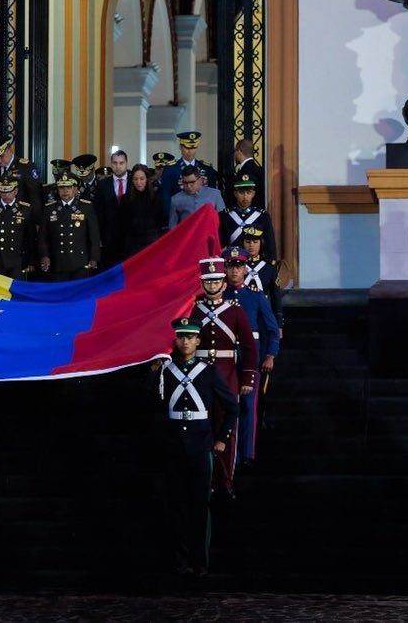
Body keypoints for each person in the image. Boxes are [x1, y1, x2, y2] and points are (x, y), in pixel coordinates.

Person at [147, 317, 238, 578]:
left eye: (190, 337)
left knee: (200, 505)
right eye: (181, 337)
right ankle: (181, 560)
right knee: (176, 504)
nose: (185, 341)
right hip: (174, 445)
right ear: (175, 340)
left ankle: (201, 561)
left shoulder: (208, 371)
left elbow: (232, 406)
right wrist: (154, 369)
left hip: (200, 445)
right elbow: (148, 398)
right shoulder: (166, 370)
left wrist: (221, 438)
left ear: (198, 340)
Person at [188, 257, 257, 500]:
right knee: (202, 429)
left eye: (216, 280)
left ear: (224, 283)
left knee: (226, 429)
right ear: (201, 283)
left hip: (227, 374)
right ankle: (205, 480)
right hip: (198, 376)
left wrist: (247, 377)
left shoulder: (235, 311)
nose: (212, 285)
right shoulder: (193, 309)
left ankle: (225, 480)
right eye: (208, 281)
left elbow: (249, 347)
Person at [222, 246, 279, 467]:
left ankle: (247, 452)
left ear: (245, 268)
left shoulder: (255, 297)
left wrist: (270, 355)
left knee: (248, 405)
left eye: (238, 266)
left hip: (249, 358)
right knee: (226, 405)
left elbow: (272, 329)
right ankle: (227, 451)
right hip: (225, 357)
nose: (234, 271)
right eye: (230, 266)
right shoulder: (220, 295)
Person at [38, 171, 100, 281]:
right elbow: (43, 237)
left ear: (75, 189)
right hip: (58, 261)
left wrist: (94, 258)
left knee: (79, 295)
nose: (65, 190)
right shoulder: (49, 208)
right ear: (57, 189)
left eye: (69, 187)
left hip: (80, 262)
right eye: (61, 187)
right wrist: (44, 256)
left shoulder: (86, 207)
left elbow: (94, 236)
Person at [0, 177, 37, 278]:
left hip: (17, 261)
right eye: (2, 192)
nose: (6, 195)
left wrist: (31, 262)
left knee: (15, 291)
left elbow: (31, 238)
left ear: (15, 191)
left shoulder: (25, 209)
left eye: (9, 191)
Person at [0, 134, 43, 217]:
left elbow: (35, 198)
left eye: (1, 156)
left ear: (10, 150)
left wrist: (37, 223)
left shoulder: (26, 167)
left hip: (20, 218)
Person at [160, 131, 223, 214]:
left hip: (203, 216)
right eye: (187, 148)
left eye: (193, 148)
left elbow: (213, 197)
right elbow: (166, 199)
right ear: (180, 147)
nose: (190, 152)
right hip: (182, 217)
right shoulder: (170, 170)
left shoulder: (207, 169)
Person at [218, 173, 277, 259]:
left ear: (253, 193)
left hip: (256, 262)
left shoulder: (262, 215)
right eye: (241, 193)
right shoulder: (225, 215)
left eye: (248, 192)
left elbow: (269, 243)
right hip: (233, 262)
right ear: (235, 193)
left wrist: (269, 265)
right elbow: (220, 243)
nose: (245, 196)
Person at [115, 164, 167, 259]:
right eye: (135, 179)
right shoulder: (125, 199)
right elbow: (121, 225)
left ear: (147, 179)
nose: (139, 182)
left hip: (152, 244)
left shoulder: (156, 198)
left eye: (142, 179)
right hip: (131, 246)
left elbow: (161, 222)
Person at [241, 227, 284, 334]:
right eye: (248, 242)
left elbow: (276, 297)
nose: (251, 245)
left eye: (255, 242)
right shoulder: (236, 267)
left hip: (264, 313)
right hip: (242, 313)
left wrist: (279, 324)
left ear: (261, 243)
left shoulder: (269, 267)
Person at [230, 139, 265, 210]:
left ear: (239, 151)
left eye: (235, 151)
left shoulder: (246, 171)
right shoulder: (258, 169)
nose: (234, 154)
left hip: (248, 213)